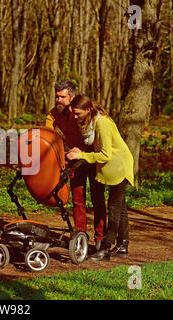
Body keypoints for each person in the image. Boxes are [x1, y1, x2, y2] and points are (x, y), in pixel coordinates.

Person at [66, 94, 134, 261]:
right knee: (121, 207)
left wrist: (81, 155)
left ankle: (106, 248)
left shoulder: (101, 123)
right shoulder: (93, 122)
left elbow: (105, 155)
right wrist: (80, 152)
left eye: (77, 113)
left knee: (114, 208)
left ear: (88, 110)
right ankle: (123, 244)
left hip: (119, 167)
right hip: (112, 167)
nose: (75, 117)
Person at [46, 81, 107, 252]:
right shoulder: (53, 114)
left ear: (72, 97)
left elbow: (98, 132)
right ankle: (81, 236)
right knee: (78, 199)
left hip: (93, 157)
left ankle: (101, 238)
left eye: (62, 97)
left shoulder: (81, 111)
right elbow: (47, 134)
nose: (58, 100)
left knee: (97, 199)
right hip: (75, 159)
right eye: (57, 96)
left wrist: (87, 152)